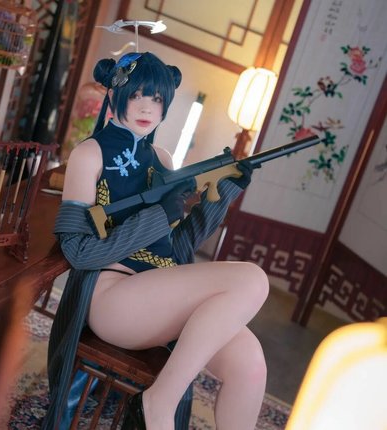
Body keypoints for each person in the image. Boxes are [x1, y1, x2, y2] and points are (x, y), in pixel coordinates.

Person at [43, 51, 269, 430]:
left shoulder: (161, 157)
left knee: (251, 363)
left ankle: (158, 402)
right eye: (136, 95)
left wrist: (226, 190)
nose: (147, 107)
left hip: (159, 295)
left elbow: (176, 247)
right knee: (252, 279)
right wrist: (158, 215)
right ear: (115, 94)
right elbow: (77, 251)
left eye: (158, 98)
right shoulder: (89, 154)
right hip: (113, 296)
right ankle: (158, 403)